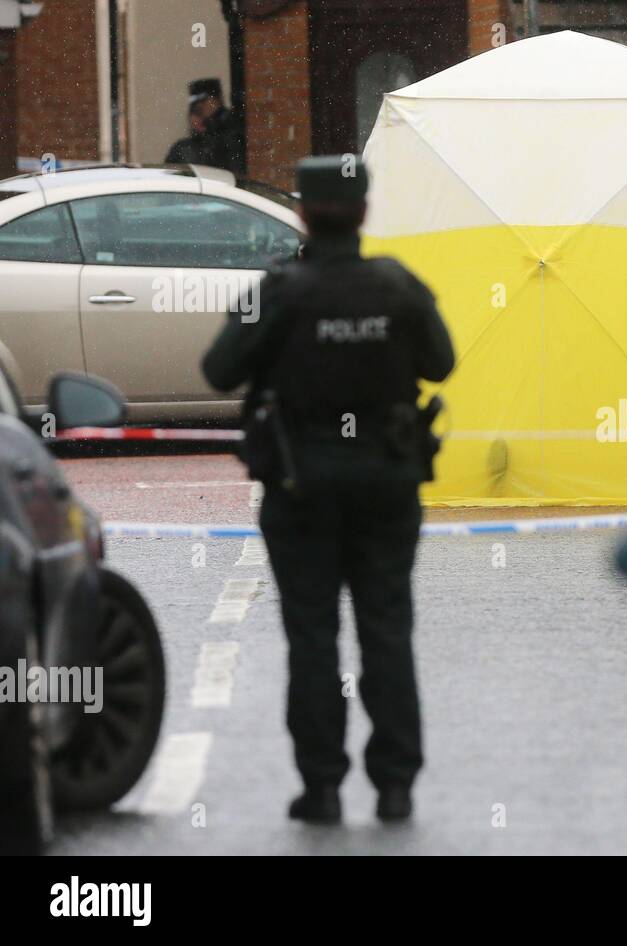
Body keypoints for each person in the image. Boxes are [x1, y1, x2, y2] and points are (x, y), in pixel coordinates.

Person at [201, 155, 455, 824]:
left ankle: (321, 787)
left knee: (312, 637)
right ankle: (395, 785)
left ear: (303, 213)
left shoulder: (281, 289)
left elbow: (219, 369)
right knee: (387, 629)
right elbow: (442, 362)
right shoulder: (398, 287)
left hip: (301, 486)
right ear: (365, 212)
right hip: (387, 482)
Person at [164, 78, 246, 174]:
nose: (199, 107)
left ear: (215, 100)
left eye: (203, 102)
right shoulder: (185, 147)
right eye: (195, 108)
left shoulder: (231, 131)